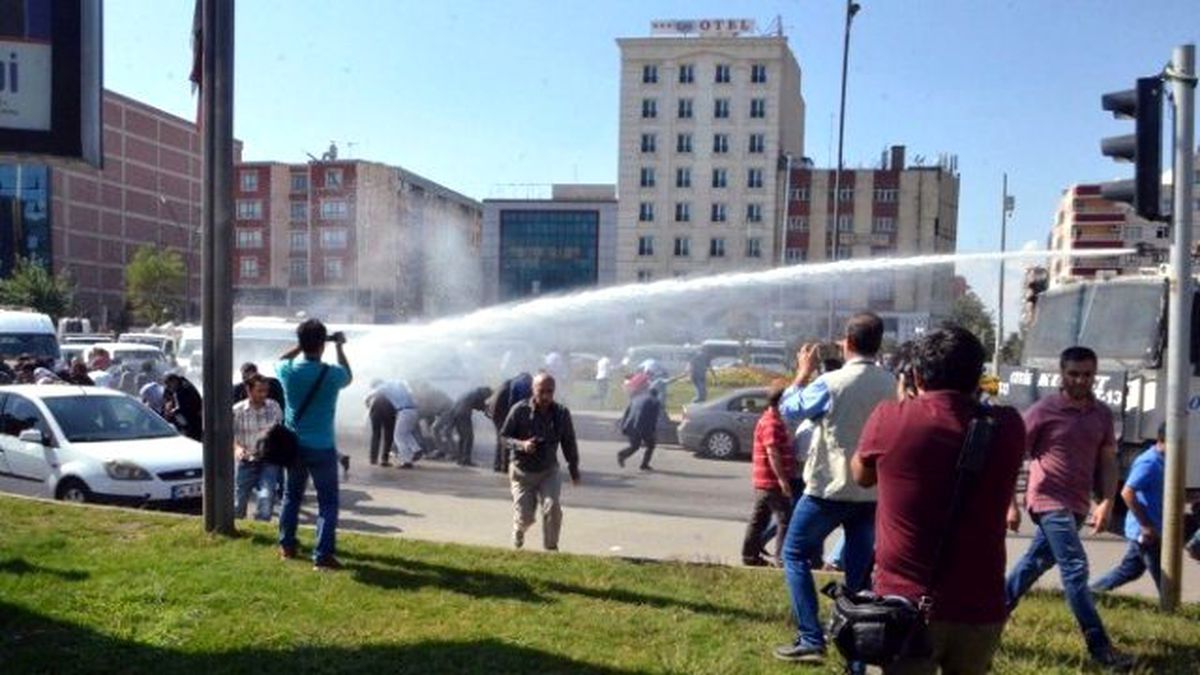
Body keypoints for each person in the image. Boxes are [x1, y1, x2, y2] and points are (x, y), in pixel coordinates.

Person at [850, 326, 1026, 673]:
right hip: (981, 604)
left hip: (906, 606)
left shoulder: (891, 418)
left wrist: (905, 405)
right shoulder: (1009, 425)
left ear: (915, 375)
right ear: (978, 376)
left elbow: (862, 475)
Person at [773, 312, 896, 664]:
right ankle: (857, 657)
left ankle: (810, 637)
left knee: (794, 554)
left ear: (849, 342)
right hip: (870, 492)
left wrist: (801, 372)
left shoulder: (831, 382)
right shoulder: (892, 384)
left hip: (828, 490)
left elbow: (789, 409)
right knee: (859, 578)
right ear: (878, 344)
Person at [1004, 346, 1132, 670]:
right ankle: (1101, 649)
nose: (1080, 380)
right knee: (1075, 569)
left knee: (1032, 565)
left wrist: (1106, 501)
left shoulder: (1101, 414)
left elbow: (1107, 460)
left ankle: (987, 618)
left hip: (1077, 504)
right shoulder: (1044, 410)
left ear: (1095, 375)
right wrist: (1011, 505)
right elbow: (1010, 456)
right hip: (1047, 500)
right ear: (1062, 374)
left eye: (1087, 374)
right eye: (1074, 374)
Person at [277, 318, 352, 571]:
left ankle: (287, 546)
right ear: (322, 345)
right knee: (327, 502)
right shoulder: (332, 374)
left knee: (291, 496)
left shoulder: (288, 372)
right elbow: (349, 376)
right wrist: (339, 346)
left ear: (300, 342)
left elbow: (280, 359)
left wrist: (300, 345)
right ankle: (322, 556)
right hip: (322, 447)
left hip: (294, 446)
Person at [500, 373, 580, 551]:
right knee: (526, 517)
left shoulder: (561, 413)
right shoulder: (519, 410)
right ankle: (519, 528)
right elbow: (504, 438)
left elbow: (569, 442)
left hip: (548, 471)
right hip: (522, 473)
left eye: (549, 391)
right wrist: (522, 444)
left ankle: (551, 548)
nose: (545, 396)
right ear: (533, 390)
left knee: (552, 507)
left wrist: (574, 470)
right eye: (541, 391)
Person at [1091, 424, 1166, 594]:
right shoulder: (1149, 462)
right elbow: (1127, 492)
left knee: (1130, 570)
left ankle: (1091, 592)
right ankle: (1171, 607)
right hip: (1145, 531)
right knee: (1163, 573)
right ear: (1165, 441)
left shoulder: (1163, 460)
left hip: (1151, 527)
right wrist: (1146, 525)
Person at [742, 382, 798, 567]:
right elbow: (772, 452)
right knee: (785, 520)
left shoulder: (771, 420)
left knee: (760, 519)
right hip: (771, 481)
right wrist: (782, 480)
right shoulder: (771, 423)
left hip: (765, 480)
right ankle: (781, 559)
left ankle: (750, 556)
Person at [232, 374, 284, 521]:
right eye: (259, 391)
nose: (263, 394)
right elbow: (230, 437)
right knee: (238, 504)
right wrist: (237, 448)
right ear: (248, 390)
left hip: (269, 462)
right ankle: (237, 531)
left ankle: (261, 532)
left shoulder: (274, 407)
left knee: (266, 499)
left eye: (266, 391)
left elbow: (279, 431)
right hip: (246, 462)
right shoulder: (237, 411)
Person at [367, 379, 419, 469]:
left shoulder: (383, 387)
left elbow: (370, 396)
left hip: (397, 411)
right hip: (407, 411)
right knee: (397, 435)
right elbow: (411, 394)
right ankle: (386, 459)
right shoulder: (399, 385)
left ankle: (406, 461)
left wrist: (367, 403)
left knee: (397, 436)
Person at [488, 371, 533, 473]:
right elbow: (516, 403)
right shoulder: (523, 383)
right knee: (506, 438)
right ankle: (505, 467)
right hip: (501, 411)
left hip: (495, 411)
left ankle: (498, 465)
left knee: (501, 438)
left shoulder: (511, 382)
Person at [438, 386, 493, 466]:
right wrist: (487, 412)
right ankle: (466, 460)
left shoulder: (472, 392)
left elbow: (478, 405)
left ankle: (460, 459)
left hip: (456, 413)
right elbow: (480, 405)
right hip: (463, 414)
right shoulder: (482, 393)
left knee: (463, 437)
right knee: (469, 437)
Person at [617, 387, 661, 471]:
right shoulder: (655, 401)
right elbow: (654, 418)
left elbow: (627, 413)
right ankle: (644, 464)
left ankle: (622, 454)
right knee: (651, 445)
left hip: (630, 425)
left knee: (635, 446)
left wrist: (623, 426)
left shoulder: (636, 399)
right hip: (643, 427)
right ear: (656, 394)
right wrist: (653, 431)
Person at [365, 379, 397, 466]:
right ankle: (384, 459)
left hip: (375, 411)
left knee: (376, 435)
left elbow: (367, 399)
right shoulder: (391, 389)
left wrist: (369, 407)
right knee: (388, 436)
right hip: (389, 412)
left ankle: (373, 459)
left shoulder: (377, 390)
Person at [163, 373, 204, 442]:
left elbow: (184, 407)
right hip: (195, 418)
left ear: (174, 381)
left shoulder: (182, 389)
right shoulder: (183, 384)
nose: (169, 388)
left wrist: (173, 412)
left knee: (193, 440)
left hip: (192, 420)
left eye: (169, 385)